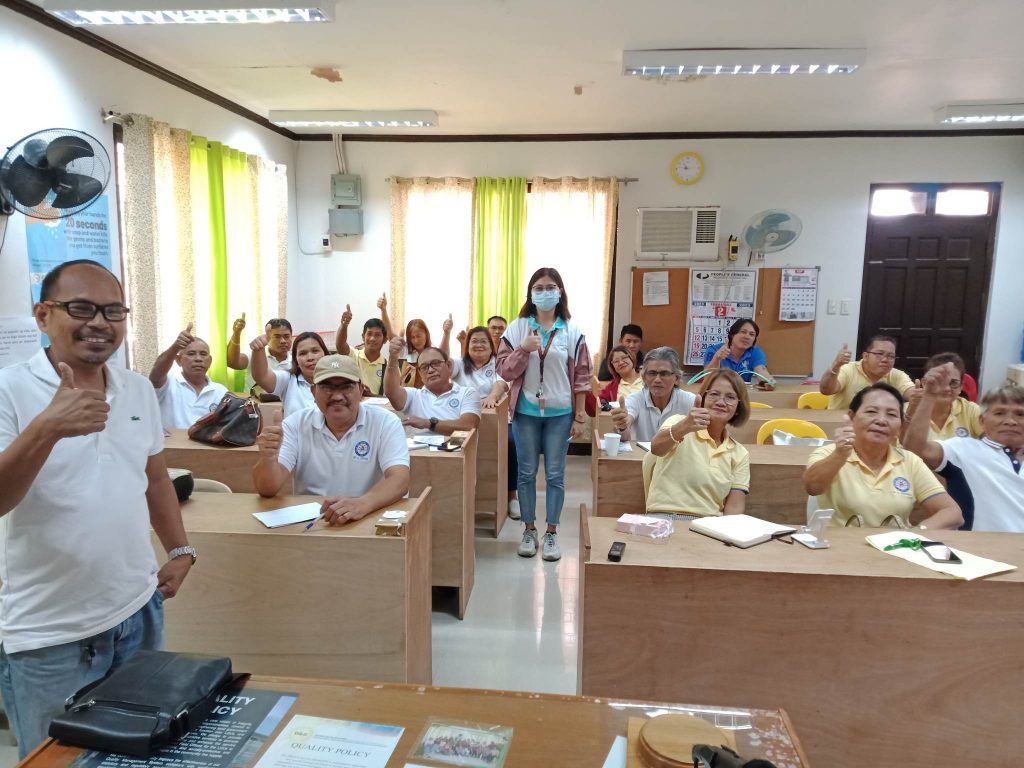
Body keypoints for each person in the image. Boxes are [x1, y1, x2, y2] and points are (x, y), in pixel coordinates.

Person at [0, 260, 193, 757]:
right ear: (43, 315)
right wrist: (47, 428)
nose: (100, 323)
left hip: (138, 611)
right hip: (49, 633)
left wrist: (180, 549)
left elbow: (154, 478)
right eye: (81, 308)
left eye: (113, 311)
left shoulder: (136, 389)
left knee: (138, 754)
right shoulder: (8, 390)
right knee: (57, 760)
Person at [496, 267, 592, 561]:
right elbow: (504, 370)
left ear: (560, 292)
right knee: (526, 473)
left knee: (555, 474)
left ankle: (551, 533)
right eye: (538, 288)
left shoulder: (572, 332)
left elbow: (582, 376)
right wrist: (523, 349)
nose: (545, 292)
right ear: (530, 293)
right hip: (525, 413)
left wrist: (579, 416)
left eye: (551, 287)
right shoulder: (517, 329)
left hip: (560, 414)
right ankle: (529, 530)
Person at [252, 355, 410, 523]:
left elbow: (399, 479)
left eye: (346, 387)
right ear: (313, 392)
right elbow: (267, 489)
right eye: (327, 387)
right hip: (316, 522)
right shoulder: (295, 424)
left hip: (369, 516)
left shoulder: (385, 422)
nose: (337, 396)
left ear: (361, 390)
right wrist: (268, 458)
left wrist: (362, 504)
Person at [803, 382, 962, 529]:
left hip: (895, 546)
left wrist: (916, 534)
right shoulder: (828, 453)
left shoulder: (910, 461)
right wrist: (839, 455)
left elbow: (952, 513)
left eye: (891, 415)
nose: (881, 420)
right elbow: (813, 487)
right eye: (871, 412)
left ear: (900, 428)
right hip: (840, 545)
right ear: (851, 418)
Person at [903, 364, 1024, 531]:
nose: (1010, 421)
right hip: (979, 545)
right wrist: (929, 395)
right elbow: (916, 450)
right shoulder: (963, 449)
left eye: (1020, 414)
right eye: (999, 413)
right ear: (982, 421)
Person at [644, 369, 751, 517]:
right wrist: (684, 427)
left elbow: (734, 508)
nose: (721, 402)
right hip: (665, 516)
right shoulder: (678, 422)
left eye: (730, 397)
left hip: (708, 524)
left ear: (739, 407)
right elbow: (656, 448)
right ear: (703, 398)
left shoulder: (740, 453)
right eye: (714, 394)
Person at [454, 326, 519, 519]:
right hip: (463, 420)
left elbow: (502, 383)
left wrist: (492, 396)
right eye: (474, 341)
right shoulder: (459, 364)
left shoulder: (498, 363)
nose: (479, 345)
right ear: (467, 345)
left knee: (511, 443)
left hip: (497, 418)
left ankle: (512, 496)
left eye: (483, 341)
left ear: (492, 346)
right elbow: (444, 367)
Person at [384, 340, 482, 435]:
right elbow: (391, 392)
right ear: (420, 374)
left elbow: (468, 426)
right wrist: (393, 358)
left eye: (435, 363)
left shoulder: (467, 393)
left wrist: (428, 423)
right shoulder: (414, 396)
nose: (430, 370)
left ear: (448, 365)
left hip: (453, 446)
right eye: (424, 367)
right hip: (417, 447)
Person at [148, 323, 228, 429]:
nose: (198, 359)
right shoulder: (168, 383)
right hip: (173, 440)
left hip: (207, 440)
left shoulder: (221, 391)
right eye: (191, 353)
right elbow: (155, 375)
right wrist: (175, 347)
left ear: (210, 361)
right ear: (178, 360)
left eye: (203, 354)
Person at [609, 347, 697, 442]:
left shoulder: (690, 401)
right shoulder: (635, 400)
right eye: (652, 373)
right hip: (641, 452)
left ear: (676, 378)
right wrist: (622, 427)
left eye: (664, 374)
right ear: (644, 377)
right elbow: (624, 434)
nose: (657, 380)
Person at [819, 336, 914, 410]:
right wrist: (836, 365)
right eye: (879, 354)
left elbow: (913, 395)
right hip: (842, 422)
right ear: (865, 356)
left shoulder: (898, 375)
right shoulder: (848, 370)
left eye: (891, 356)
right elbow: (826, 390)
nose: (885, 359)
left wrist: (921, 394)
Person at [903, 352, 982, 440]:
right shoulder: (905, 410)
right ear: (924, 383)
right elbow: (901, 445)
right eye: (940, 382)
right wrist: (910, 413)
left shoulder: (970, 410)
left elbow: (992, 441)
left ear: (961, 387)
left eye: (953, 383)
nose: (946, 388)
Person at [250, 331, 328, 417]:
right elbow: (262, 377)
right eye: (303, 353)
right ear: (296, 361)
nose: (310, 358)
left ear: (325, 354)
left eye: (315, 351)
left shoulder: (337, 380)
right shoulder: (288, 380)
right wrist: (259, 350)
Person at [703, 318, 776, 389]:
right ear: (732, 335)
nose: (747, 337)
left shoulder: (755, 351)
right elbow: (707, 379)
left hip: (742, 393)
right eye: (743, 332)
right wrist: (716, 358)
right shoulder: (713, 350)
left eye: (752, 334)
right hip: (719, 391)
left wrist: (768, 381)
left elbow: (761, 371)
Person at [337, 304, 389, 396]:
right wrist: (344, 325)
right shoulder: (353, 355)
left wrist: (371, 395)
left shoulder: (389, 367)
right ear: (363, 336)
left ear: (385, 339)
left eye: (377, 335)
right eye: (369, 334)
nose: (372, 338)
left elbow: (392, 398)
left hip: (375, 405)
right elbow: (340, 345)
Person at [226, 315, 292, 373]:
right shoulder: (256, 354)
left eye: (286, 336)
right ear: (267, 337)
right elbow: (232, 363)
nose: (283, 341)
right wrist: (236, 333)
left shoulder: (295, 360)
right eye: (277, 337)